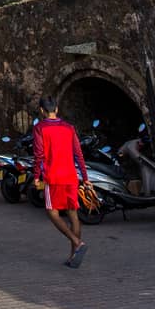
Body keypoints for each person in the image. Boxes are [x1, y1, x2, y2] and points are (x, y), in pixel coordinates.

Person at [32, 96, 90, 268]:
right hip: (71, 176)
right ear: (56, 109)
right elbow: (79, 154)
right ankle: (73, 256)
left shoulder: (39, 128)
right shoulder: (69, 128)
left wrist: (36, 176)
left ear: (42, 111)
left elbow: (39, 155)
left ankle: (76, 242)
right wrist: (85, 178)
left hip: (53, 176)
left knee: (52, 213)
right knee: (73, 214)